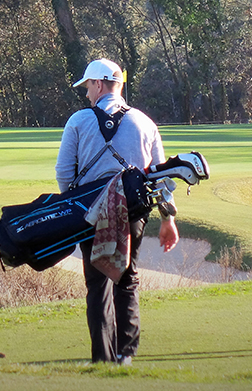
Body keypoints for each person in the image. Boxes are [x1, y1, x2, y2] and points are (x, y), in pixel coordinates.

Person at [55, 58, 180, 365]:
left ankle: (102, 357)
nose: (87, 94)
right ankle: (126, 355)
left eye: (88, 87)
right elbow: (161, 178)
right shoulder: (145, 122)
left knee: (97, 285)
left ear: (99, 84)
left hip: (89, 213)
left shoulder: (78, 121)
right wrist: (168, 219)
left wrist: (72, 206)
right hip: (132, 213)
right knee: (128, 278)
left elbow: (63, 173)